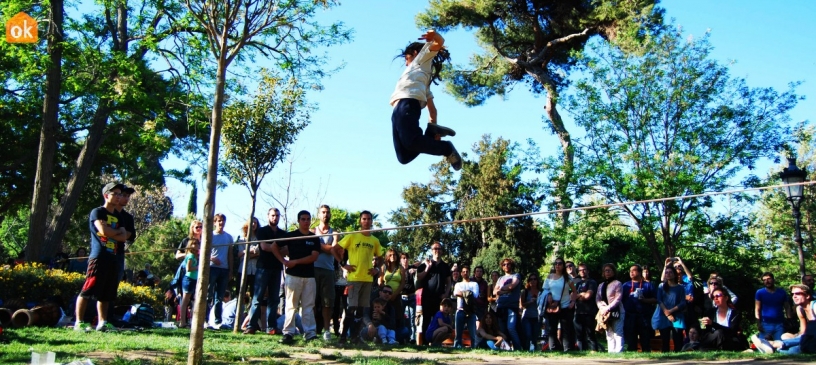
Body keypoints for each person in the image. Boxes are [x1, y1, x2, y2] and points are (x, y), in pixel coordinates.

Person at [389, 29, 462, 171]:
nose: (406, 63)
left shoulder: (421, 59)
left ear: (415, 53)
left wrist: (434, 35)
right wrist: (433, 129)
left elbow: (439, 42)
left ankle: (447, 148)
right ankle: (429, 135)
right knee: (404, 157)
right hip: (397, 112)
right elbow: (432, 111)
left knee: (411, 142)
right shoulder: (423, 82)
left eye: (406, 58)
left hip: (407, 105)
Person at [74, 182, 131, 332]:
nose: (119, 197)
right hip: (99, 257)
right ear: (106, 195)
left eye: (120, 194)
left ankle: (103, 322)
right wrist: (115, 232)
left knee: (106, 293)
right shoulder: (97, 212)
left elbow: (124, 237)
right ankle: (79, 322)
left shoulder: (119, 216)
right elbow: (103, 231)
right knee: (88, 289)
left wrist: (115, 232)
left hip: (114, 257)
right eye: (116, 194)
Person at [332, 210, 383, 346]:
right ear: (360, 221)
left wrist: (377, 269)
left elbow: (381, 257)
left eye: (369, 219)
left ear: (372, 221)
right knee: (351, 307)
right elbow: (334, 249)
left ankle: (355, 338)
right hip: (354, 278)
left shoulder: (375, 240)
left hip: (368, 279)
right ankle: (342, 338)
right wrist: (343, 265)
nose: (366, 221)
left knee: (361, 310)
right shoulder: (352, 236)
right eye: (364, 219)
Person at [273, 210, 321, 344]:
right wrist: (283, 261)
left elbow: (314, 256)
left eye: (308, 219)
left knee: (308, 305)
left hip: (309, 276)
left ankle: (310, 333)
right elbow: (274, 246)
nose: (306, 222)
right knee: (290, 306)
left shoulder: (314, 238)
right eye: (303, 219)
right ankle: (288, 333)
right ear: (299, 221)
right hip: (293, 276)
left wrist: (296, 261)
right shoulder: (291, 236)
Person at [245, 208, 286, 335]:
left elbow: (286, 250)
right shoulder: (262, 231)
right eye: (273, 215)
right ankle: (251, 325)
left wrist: (274, 249)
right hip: (263, 268)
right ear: (268, 216)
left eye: (277, 216)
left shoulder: (283, 233)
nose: (275, 218)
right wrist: (277, 249)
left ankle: (271, 327)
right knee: (257, 297)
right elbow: (264, 247)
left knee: (274, 299)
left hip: (277, 268)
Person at [753, 284, 814, 354]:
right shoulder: (800, 309)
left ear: (807, 296)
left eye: (798, 293)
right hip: (809, 339)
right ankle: (773, 348)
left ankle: (772, 344)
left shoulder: (814, 306)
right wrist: (795, 336)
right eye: (792, 294)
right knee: (788, 347)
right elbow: (803, 332)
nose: (794, 296)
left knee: (806, 340)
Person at [312, 205, 343, 341]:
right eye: (323, 212)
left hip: (329, 270)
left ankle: (326, 330)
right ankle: (311, 329)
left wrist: (323, 247)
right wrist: (328, 248)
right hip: (313, 269)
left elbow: (335, 248)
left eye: (327, 212)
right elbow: (318, 247)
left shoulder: (334, 233)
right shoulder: (313, 232)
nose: (325, 214)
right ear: (318, 214)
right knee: (311, 301)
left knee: (327, 302)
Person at [415, 241, 452, 345]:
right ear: (432, 251)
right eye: (435, 249)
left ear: (442, 251)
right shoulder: (425, 263)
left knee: (438, 321)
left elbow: (449, 282)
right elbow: (418, 277)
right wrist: (427, 268)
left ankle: (436, 343)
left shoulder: (445, 266)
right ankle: (425, 343)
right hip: (427, 297)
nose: (437, 251)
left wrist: (446, 293)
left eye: (439, 249)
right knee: (426, 319)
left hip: (439, 299)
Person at [542, 258, 577, 352]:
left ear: (563, 265)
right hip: (552, 306)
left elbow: (574, 291)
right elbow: (545, 290)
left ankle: (567, 349)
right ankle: (552, 348)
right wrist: (548, 295)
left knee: (566, 330)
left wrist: (573, 302)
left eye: (560, 263)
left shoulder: (567, 278)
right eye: (556, 263)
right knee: (551, 329)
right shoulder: (549, 277)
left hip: (565, 306)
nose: (557, 265)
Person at [622, 264, 656, 352]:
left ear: (640, 272)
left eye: (634, 270)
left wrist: (645, 300)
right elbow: (621, 300)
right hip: (630, 316)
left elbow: (655, 299)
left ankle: (647, 355)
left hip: (644, 316)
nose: (631, 272)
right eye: (630, 271)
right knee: (631, 339)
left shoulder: (648, 285)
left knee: (645, 339)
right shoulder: (626, 285)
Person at [208, 213, 234, 328]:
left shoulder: (228, 237)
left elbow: (230, 255)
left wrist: (230, 270)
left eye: (223, 220)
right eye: (218, 221)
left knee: (219, 297)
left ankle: (218, 321)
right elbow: (203, 252)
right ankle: (205, 320)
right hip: (211, 268)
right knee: (208, 295)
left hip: (224, 269)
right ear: (214, 222)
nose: (221, 223)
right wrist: (212, 258)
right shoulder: (210, 235)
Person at [653, 263, 686, 352]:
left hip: (677, 316)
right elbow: (659, 300)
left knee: (678, 339)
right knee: (665, 340)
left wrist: (671, 311)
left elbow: (683, 302)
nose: (668, 274)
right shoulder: (661, 286)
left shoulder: (680, 288)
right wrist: (667, 314)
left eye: (670, 272)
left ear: (674, 274)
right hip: (663, 316)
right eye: (666, 272)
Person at [755, 271, 793, 341]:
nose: (767, 281)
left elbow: (787, 307)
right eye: (764, 280)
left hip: (780, 324)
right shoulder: (760, 292)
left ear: (773, 279)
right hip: (765, 323)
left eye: (769, 279)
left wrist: (789, 320)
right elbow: (757, 309)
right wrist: (758, 323)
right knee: (763, 345)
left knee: (780, 345)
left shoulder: (782, 292)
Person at [495, 258, 523, 351]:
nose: (506, 266)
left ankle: (518, 348)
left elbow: (512, 286)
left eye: (508, 264)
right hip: (501, 306)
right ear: (502, 267)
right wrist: (505, 290)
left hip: (512, 306)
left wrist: (502, 290)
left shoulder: (516, 275)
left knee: (511, 328)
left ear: (511, 265)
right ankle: (506, 348)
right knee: (503, 330)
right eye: (504, 265)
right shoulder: (500, 278)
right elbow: (495, 291)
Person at [379, 248, 406, 342]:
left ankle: (396, 337)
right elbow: (380, 281)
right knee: (385, 315)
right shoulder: (384, 267)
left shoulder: (400, 268)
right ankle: (383, 336)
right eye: (390, 255)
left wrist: (394, 294)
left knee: (397, 316)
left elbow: (402, 283)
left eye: (394, 254)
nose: (392, 256)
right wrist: (385, 292)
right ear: (387, 257)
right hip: (385, 297)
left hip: (396, 297)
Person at [596, 263, 624, 353]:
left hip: (617, 311)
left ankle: (619, 353)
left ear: (613, 272)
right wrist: (602, 308)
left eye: (609, 270)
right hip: (604, 312)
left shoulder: (617, 283)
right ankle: (611, 353)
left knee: (618, 332)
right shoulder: (601, 285)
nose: (607, 272)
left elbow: (618, 298)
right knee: (609, 333)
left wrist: (608, 308)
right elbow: (598, 298)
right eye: (605, 271)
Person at [573, 263, 599, 351]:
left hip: (589, 312)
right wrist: (581, 295)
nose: (582, 272)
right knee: (579, 336)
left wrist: (579, 295)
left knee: (590, 334)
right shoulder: (577, 283)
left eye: (584, 269)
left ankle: (594, 351)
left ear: (588, 271)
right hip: (578, 312)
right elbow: (572, 296)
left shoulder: (592, 282)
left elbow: (588, 296)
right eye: (580, 270)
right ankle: (581, 353)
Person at [453, 265, 480, 349]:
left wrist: (463, 294)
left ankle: (473, 348)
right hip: (460, 310)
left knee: (472, 332)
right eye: (463, 271)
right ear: (461, 273)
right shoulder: (458, 284)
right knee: (458, 333)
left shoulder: (474, 284)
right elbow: (456, 293)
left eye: (467, 271)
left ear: (469, 273)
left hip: (471, 311)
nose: (465, 273)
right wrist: (468, 293)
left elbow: (475, 295)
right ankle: (457, 348)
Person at [115, 185, 137, 283]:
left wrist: (111, 233)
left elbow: (129, 235)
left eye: (128, 196)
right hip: (103, 252)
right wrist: (120, 233)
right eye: (124, 195)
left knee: (113, 285)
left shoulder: (128, 217)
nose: (126, 198)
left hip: (119, 253)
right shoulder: (104, 212)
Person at [236, 217, 260, 299]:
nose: (253, 224)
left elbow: (260, 253)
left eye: (255, 223)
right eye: (252, 222)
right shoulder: (242, 240)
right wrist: (250, 251)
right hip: (243, 270)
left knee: (255, 296)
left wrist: (247, 252)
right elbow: (239, 255)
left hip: (256, 271)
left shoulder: (259, 239)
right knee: (240, 295)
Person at [179, 238, 199, 328]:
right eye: (194, 244)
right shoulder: (190, 255)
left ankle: (190, 321)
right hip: (189, 279)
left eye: (197, 244)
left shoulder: (194, 256)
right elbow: (189, 268)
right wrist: (198, 267)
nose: (196, 246)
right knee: (185, 301)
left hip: (193, 279)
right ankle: (182, 322)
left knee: (191, 301)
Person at [400, 252, 418, 343]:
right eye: (403, 258)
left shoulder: (412, 268)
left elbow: (422, 265)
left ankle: (412, 338)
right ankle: (402, 337)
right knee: (401, 318)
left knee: (412, 318)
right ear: (400, 260)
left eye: (406, 258)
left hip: (411, 296)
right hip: (402, 297)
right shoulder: (399, 270)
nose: (405, 260)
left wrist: (415, 271)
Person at [519, 273, 541, 352]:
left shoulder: (541, 292)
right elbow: (522, 305)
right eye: (531, 279)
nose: (533, 281)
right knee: (528, 335)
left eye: (535, 279)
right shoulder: (525, 292)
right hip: (527, 316)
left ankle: (534, 350)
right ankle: (526, 350)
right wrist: (530, 302)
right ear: (528, 281)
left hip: (537, 317)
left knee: (535, 336)